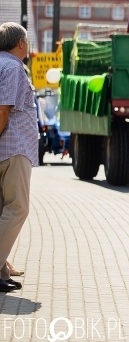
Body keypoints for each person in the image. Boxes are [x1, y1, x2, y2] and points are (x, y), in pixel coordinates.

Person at [0, 22, 39, 292]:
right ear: (21, 43)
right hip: (13, 147)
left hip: (9, 148)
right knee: (18, 208)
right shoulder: (13, 67)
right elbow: (4, 109)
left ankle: (2, 271)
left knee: (4, 209)